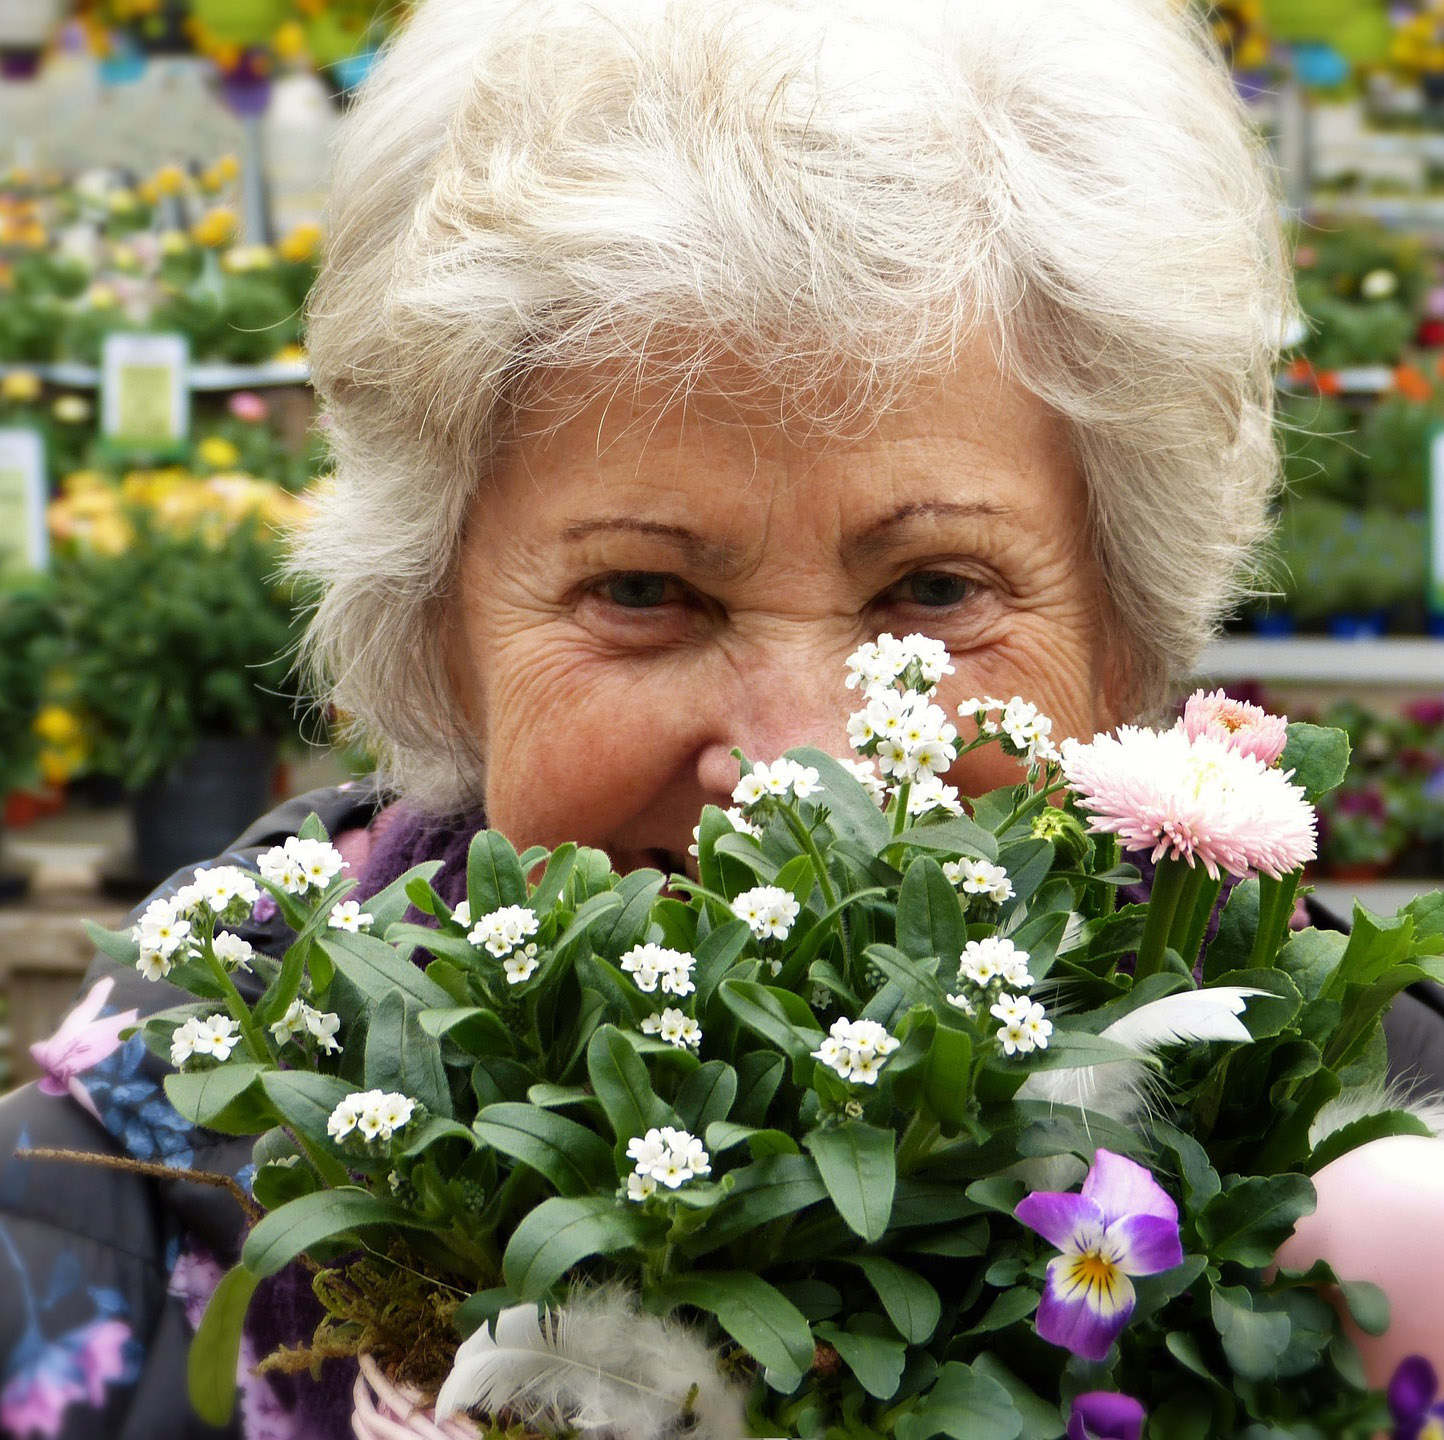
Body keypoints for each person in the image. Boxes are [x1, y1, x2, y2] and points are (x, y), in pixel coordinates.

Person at [3, 0, 1442, 1434]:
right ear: (436, 623)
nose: (794, 774)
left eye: (934, 587)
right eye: (643, 588)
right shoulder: (110, 1204)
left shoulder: (1365, 1160)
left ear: (1126, 629)